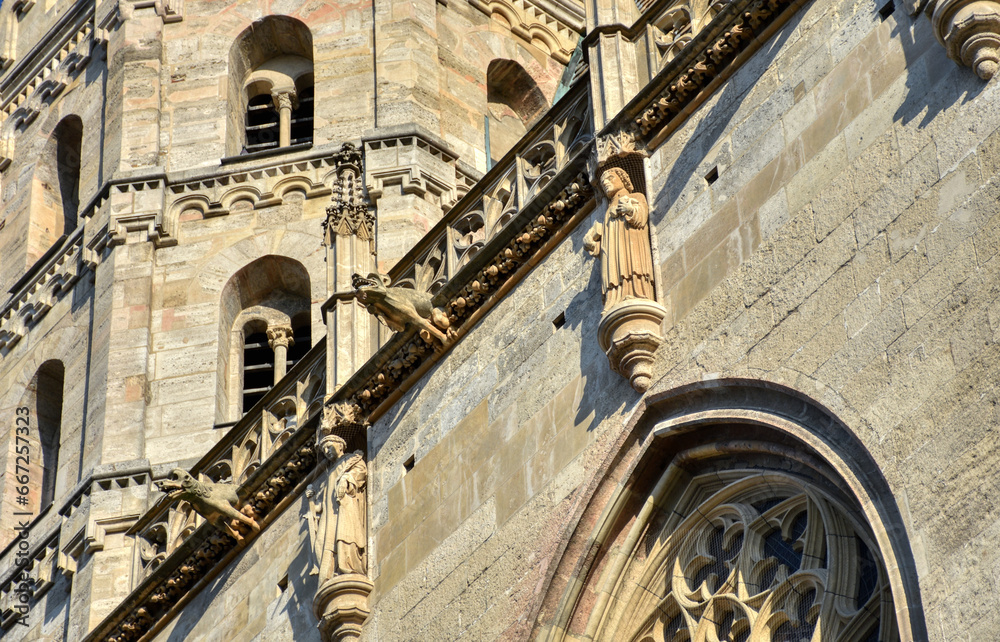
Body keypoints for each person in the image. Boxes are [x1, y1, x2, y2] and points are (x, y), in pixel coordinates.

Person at [584, 167, 655, 309]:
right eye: (603, 181)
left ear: (623, 180)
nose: (605, 183)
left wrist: (630, 210)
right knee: (614, 271)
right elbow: (607, 246)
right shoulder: (608, 211)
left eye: (610, 178)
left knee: (632, 266)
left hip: (632, 246)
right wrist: (592, 244)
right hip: (614, 258)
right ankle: (614, 298)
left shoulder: (636, 197)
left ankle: (637, 292)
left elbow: (641, 218)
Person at [306, 433, 367, 580]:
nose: (327, 451)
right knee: (320, 543)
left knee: (345, 538)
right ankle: (329, 575)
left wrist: (347, 478)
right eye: (324, 449)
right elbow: (323, 505)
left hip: (345, 507)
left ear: (340, 445)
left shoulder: (351, 460)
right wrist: (312, 500)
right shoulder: (331, 472)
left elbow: (361, 471)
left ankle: (349, 568)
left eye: (329, 446)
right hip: (329, 517)